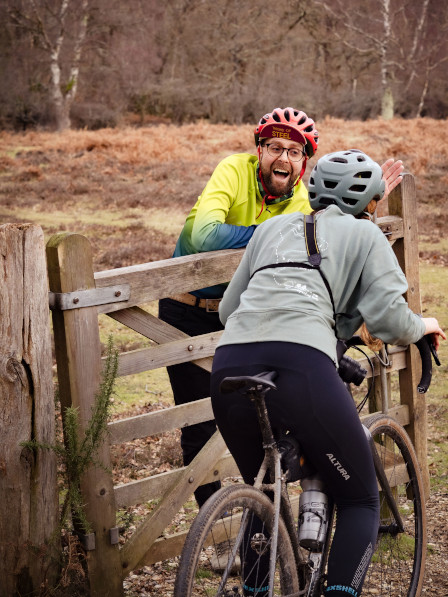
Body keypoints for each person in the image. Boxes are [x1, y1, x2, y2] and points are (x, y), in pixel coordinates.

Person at [210, 149, 445, 597]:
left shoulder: (272, 228)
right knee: (360, 499)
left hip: (231, 363)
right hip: (301, 365)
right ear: (371, 204)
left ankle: (254, 590)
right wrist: (424, 326)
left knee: (264, 495)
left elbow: (227, 310)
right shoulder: (365, 234)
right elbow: (389, 319)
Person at [159, 108, 404, 510]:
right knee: (199, 423)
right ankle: (216, 533)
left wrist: (366, 206)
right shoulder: (234, 170)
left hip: (255, 315)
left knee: (265, 416)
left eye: (294, 152)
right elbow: (203, 235)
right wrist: (271, 233)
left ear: (304, 163)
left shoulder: (305, 198)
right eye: (274, 147)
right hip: (187, 309)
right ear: (259, 150)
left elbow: (326, 238)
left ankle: (264, 517)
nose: (283, 159)